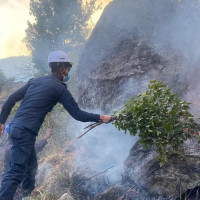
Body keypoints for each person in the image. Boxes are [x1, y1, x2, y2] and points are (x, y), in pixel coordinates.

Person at [0, 50, 112, 200]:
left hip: (15, 129)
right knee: (15, 172)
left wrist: (2, 121)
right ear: (62, 69)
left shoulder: (35, 81)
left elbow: (10, 100)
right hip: (25, 132)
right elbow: (77, 114)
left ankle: (26, 195)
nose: (68, 71)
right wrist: (100, 117)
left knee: (31, 169)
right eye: (68, 68)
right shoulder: (59, 88)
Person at [1, 127, 53, 200]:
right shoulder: (11, 148)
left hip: (13, 182)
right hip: (11, 185)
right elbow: (33, 149)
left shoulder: (13, 144)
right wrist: (45, 138)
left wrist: (45, 138)